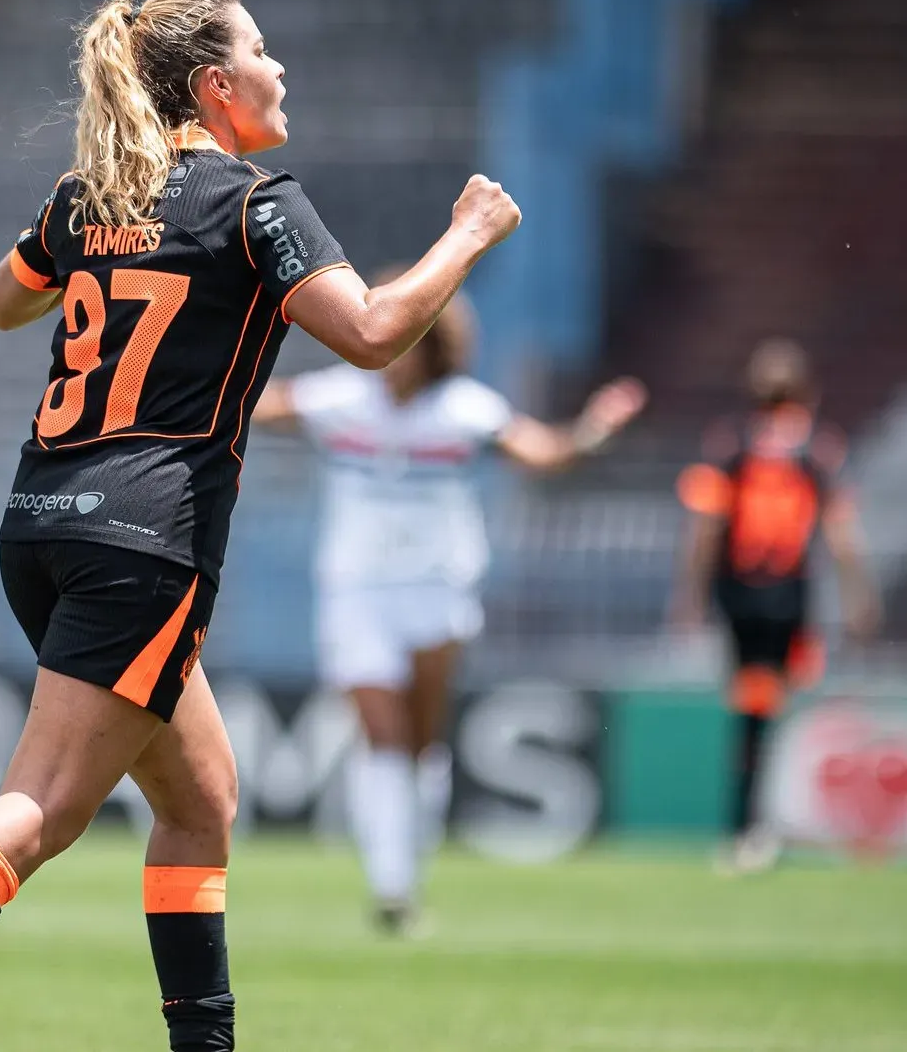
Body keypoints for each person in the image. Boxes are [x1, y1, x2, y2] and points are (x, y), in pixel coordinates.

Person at [0, 0, 523, 1052]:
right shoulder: (254, 201)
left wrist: (101, 245)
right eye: (265, 52)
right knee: (45, 804)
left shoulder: (87, 195)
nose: (283, 71)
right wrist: (467, 235)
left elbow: (4, 301)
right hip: (144, 538)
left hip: (41, 523)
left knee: (200, 800)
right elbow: (371, 333)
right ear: (218, 86)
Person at [251, 291, 643, 931]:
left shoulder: (465, 411)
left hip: (437, 590)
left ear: (433, 347)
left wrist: (593, 430)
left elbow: (542, 453)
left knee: (423, 745)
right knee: (384, 735)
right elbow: (262, 407)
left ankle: (410, 867)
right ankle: (391, 888)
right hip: (358, 592)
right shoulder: (342, 397)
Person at [670, 337, 879, 874]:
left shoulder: (732, 442)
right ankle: (754, 826)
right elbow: (841, 534)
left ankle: (750, 826)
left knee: (753, 708)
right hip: (789, 599)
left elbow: (705, 528)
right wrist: (859, 597)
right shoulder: (817, 448)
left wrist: (689, 596)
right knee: (768, 708)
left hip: (738, 595)